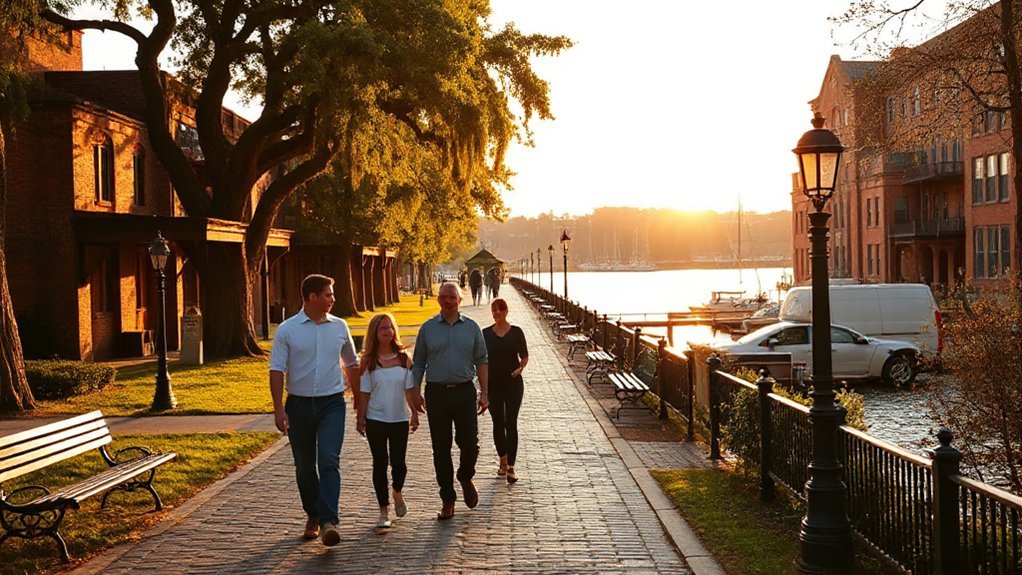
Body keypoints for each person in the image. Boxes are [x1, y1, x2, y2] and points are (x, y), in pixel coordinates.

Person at [269, 274, 360, 547]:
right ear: (311, 297)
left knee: (329, 461)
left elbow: (352, 364)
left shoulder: (340, 327)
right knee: (304, 467)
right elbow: (276, 370)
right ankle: (314, 513)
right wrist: (277, 409)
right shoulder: (287, 330)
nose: (333, 299)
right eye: (328, 295)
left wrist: (359, 400)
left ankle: (329, 521)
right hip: (298, 406)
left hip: (332, 404)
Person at [411, 282, 489, 520]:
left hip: (465, 391)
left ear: (459, 299)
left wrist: (485, 391)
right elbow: (418, 362)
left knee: (469, 443)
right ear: (438, 300)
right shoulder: (428, 329)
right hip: (437, 393)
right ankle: (447, 499)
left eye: (451, 297)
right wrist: (415, 390)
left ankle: (465, 476)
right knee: (440, 448)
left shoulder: (472, 328)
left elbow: (482, 360)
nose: (447, 301)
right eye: (443, 297)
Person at [355, 313, 419, 529]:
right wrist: (360, 417)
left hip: (399, 418)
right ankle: (384, 510)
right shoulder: (368, 362)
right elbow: (363, 392)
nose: (387, 331)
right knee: (380, 463)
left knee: (399, 464)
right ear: (375, 332)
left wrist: (414, 412)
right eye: (382, 328)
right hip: (376, 419)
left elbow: (409, 389)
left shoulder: (404, 359)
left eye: (390, 327)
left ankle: (397, 491)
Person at [482, 297, 528, 483]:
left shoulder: (516, 332)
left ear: (506, 311)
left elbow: (524, 356)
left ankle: (511, 467)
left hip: (513, 383)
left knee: (511, 422)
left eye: (499, 310)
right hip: (493, 384)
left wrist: (521, 367)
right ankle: (502, 459)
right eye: (493, 310)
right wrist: (482, 387)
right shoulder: (485, 334)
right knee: (497, 422)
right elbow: (481, 360)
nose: (496, 314)